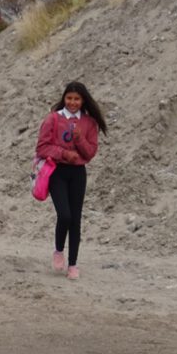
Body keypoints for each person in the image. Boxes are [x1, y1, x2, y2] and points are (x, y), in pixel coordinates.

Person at [35, 81, 108, 280]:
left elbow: (90, 152)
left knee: (75, 220)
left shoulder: (89, 123)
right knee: (65, 215)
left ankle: (73, 264)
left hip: (78, 174)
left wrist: (79, 139)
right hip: (56, 172)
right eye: (69, 98)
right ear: (64, 98)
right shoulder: (53, 119)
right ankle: (58, 250)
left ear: (83, 100)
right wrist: (64, 153)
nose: (72, 102)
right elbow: (42, 147)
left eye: (76, 99)